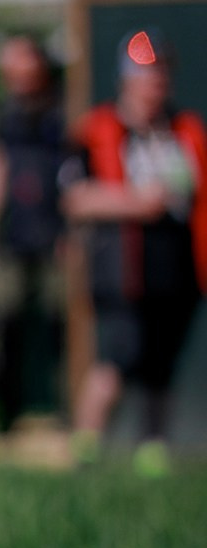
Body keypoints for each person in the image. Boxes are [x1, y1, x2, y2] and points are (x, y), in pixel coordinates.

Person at [63, 31, 205, 472]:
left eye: (161, 77)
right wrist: (135, 202)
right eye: (146, 77)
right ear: (127, 81)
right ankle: (85, 449)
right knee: (116, 361)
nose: (154, 87)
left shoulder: (185, 131)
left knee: (160, 364)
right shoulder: (98, 130)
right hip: (121, 266)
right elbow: (75, 196)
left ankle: (152, 452)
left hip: (177, 267)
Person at [0, 36, 69, 433]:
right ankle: (3, 413)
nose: (16, 77)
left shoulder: (65, 109)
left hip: (59, 235)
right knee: (2, 320)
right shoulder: (4, 114)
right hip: (12, 236)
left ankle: (69, 414)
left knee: (65, 324)